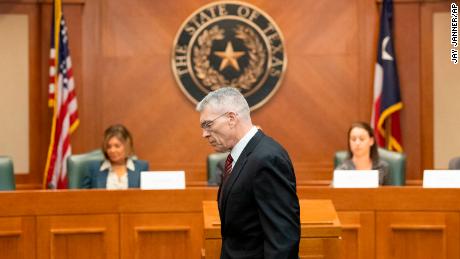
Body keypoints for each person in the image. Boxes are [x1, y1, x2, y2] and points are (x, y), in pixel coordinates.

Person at [197, 87, 300, 259]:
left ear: (231, 118)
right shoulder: (238, 157)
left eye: (208, 124)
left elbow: (283, 239)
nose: (204, 134)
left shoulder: (267, 158)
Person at [81, 124, 149, 189]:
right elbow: (82, 197)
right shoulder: (93, 169)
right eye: (109, 146)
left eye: (117, 146)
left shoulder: (141, 167)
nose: (112, 150)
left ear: (127, 146)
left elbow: (147, 196)